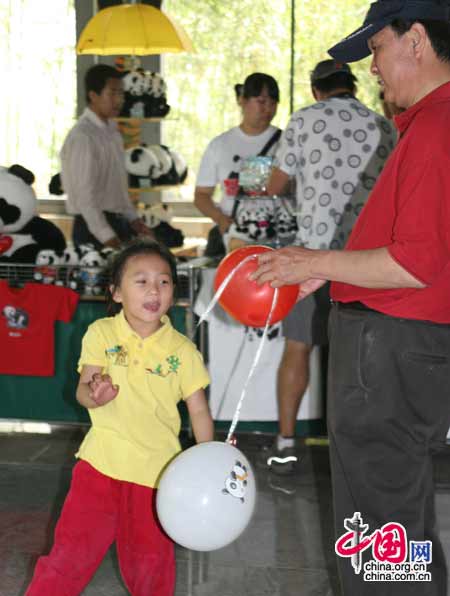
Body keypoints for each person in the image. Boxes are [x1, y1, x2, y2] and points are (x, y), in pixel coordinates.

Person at [251, 1, 450, 594]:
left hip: (389, 349)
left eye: (378, 49)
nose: (372, 69)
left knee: (380, 519)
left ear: (415, 39)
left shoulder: (437, 127)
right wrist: (332, 273)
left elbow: (415, 263)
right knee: (394, 516)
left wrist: (312, 260)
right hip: (396, 343)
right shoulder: (423, 124)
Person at [26, 240, 214, 596]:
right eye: (140, 281)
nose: (154, 290)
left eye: (163, 281)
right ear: (116, 292)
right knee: (69, 557)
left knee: (151, 566)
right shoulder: (102, 333)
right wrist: (95, 396)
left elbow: (199, 410)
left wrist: (210, 459)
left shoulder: (183, 351)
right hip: (98, 467)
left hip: (156, 477)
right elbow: (83, 389)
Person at [261, 59, 395, 475]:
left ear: (316, 89)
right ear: (352, 86)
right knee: (357, 361)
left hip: (308, 262)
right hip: (365, 264)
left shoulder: (303, 122)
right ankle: (355, 456)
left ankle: (285, 446)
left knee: (297, 350)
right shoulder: (384, 127)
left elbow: (274, 187)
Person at [61, 64, 154, 250]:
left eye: (121, 94)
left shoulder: (112, 131)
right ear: (93, 96)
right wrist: (108, 238)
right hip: (93, 228)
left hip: (117, 222)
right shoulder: (83, 136)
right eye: (112, 93)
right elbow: (85, 197)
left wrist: (134, 220)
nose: (119, 100)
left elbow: (118, 187)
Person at [194, 72, 282, 257]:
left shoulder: (286, 142)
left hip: (279, 237)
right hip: (236, 239)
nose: (268, 109)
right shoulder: (220, 145)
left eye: (273, 103)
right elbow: (201, 195)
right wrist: (221, 220)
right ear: (242, 100)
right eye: (262, 101)